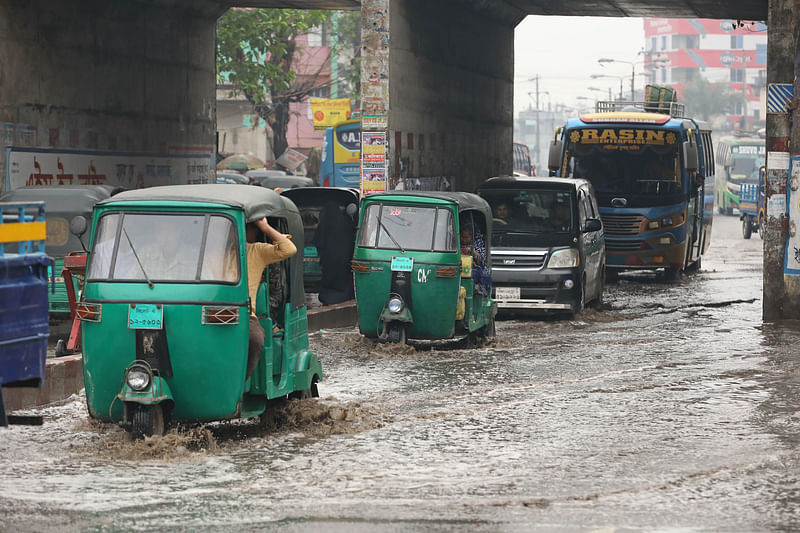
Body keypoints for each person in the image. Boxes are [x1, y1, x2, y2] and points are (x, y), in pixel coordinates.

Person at [246, 217, 297, 379]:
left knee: (255, 339)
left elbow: (288, 249)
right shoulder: (214, 251)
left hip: (246, 313)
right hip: (212, 309)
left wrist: (265, 227)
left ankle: (240, 384)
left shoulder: (256, 251)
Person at [314, 202, 356, 305]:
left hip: (328, 260)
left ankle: (328, 300)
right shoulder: (346, 223)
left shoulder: (324, 225)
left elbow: (318, 241)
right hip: (344, 261)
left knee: (329, 281)